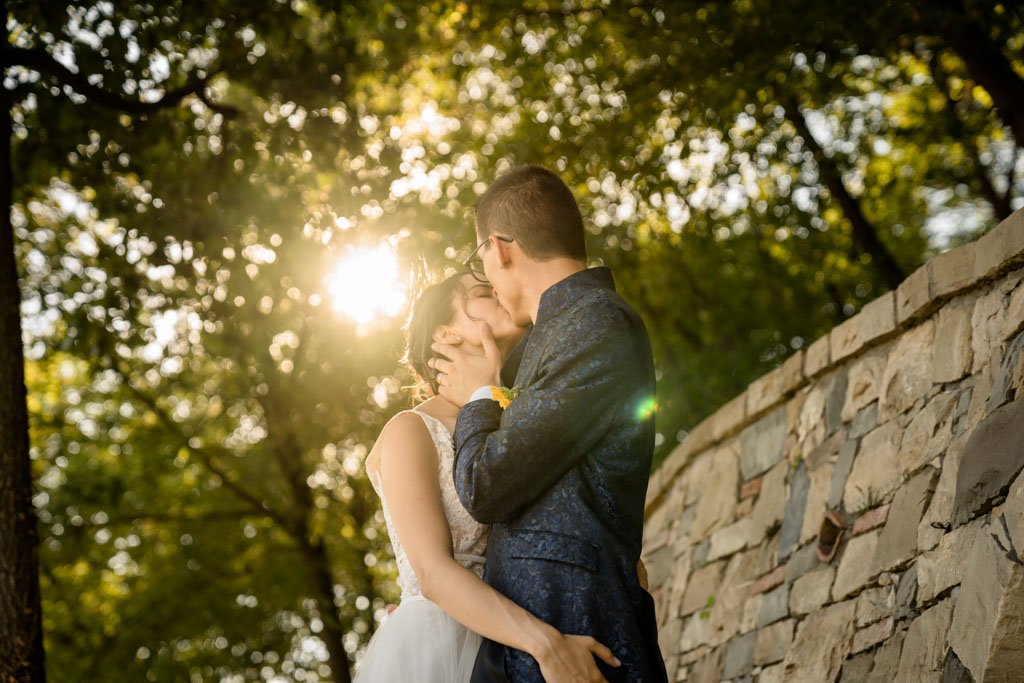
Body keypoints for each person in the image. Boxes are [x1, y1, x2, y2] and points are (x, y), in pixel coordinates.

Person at [430, 165, 669, 682]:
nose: (487, 279)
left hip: (578, 621)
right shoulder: (548, 337)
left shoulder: (595, 322)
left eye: (481, 261)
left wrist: (479, 393)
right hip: (535, 634)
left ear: (501, 248)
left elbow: (486, 484)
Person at [354, 273, 620, 683]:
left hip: (528, 624)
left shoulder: (521, 414)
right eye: (482, 293)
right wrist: (546, 646)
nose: (500, 293)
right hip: (445, 648)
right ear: (446, 334)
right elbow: (433, 575)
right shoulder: (411, 430)